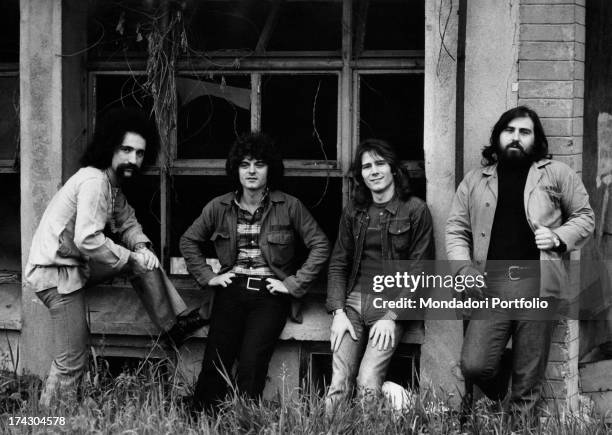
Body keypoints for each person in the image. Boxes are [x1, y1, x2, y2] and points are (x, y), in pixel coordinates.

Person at [25, 108, 201, 408]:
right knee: (72, 361)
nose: (134, 159)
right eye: (127, 150)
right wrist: (131, 258)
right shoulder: (94, 182)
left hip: (74, 267)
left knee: (144, 259)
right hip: (56, 276)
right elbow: (87, 239)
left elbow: (128, 221)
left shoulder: (111, 185)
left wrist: (142, 248)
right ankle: (48, 423)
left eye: (141, 153)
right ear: (110, 148)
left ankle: (173, 326)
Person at [446, 106, 594, 418]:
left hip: (539, 284)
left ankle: (520, 424)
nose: (516, 138)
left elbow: (585, 217)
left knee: (529, 379)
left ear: (535, 139)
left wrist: (557, 237)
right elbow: (456, 229)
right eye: (509, 131)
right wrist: (463, 269)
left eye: (524, 132)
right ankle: (506, 397)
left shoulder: (556, 174)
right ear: (498, 136)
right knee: (474, 365)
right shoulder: (475, 180)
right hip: (489, 287)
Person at [180, 132, 330, 412]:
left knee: (252, 362)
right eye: (244, 164)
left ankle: (245, 421)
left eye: (259, 164)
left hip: (269, 295)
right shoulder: (219, 206)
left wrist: (294, 284)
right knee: (215, 361)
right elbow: (188, 241)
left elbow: (320, 244)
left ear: (269, 169)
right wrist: (209, 277)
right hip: (231, 290)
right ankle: (201, 420)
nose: (251, 171)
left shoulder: (289, 206)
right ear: (235, 169)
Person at [325, 139, 434, 414]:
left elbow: (421, 271)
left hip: (391, 305)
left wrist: (392, 317)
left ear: (393, 169)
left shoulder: (415, 209)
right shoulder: (354, 211)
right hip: (353, 304)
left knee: (368, 381)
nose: (373, 171)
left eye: (379, 163)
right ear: (360, 174)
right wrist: (337, 311)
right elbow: (339, 261)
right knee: (339, 381)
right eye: (366, 166)